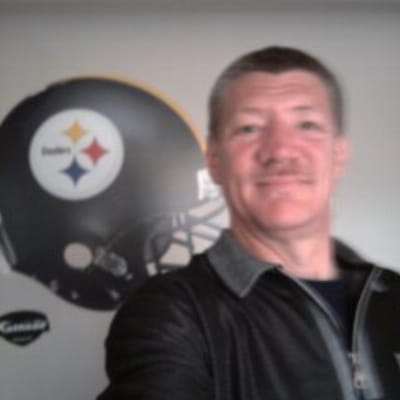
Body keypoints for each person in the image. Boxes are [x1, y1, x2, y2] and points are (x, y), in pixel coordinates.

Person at [98, 46, 400, 400]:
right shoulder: (171, 313)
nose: (280, 150)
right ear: (215, 161)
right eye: (249, 128)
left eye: (307, 125)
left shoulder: (392, 291)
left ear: (339, 154)